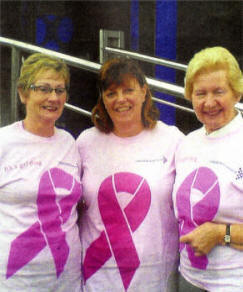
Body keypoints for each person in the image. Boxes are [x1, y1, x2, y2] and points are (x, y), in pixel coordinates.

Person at [77, 57, 184, 291]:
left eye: (128, 90)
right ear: (103, 99)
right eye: (111, 93)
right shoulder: (85, 142)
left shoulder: (172, 140)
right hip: (98, 279)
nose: (121, 99)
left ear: (144, 92)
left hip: (154, 280)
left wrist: (226, 235)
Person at [0, 53, 82, 291]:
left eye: (60, 90)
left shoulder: (70, 143)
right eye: (43, 89)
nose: (53, 97)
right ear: (23, 94)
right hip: (14, 280)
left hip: (66, 278)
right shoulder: (4, 142)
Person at [172, 47, 243, 292]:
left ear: (237, 93)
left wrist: (220, 234)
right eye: (200, 93)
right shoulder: (187, 143)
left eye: (219, 91)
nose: (209, 102)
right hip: (189, 279)